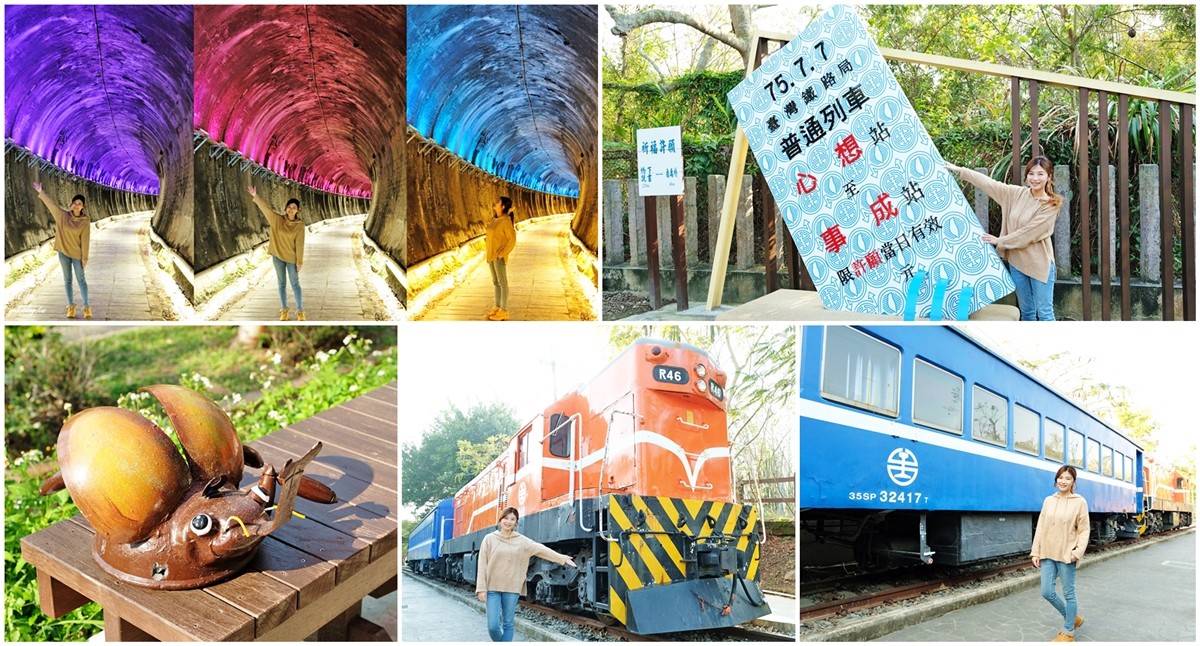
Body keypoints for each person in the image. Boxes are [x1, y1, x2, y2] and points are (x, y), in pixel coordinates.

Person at [945, 157, 1063, 321]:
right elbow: (989, 184)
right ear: (1026, 176)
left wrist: (1000, 241)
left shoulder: (1050, 205)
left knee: (1045, 313)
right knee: (1027, 312)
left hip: (1039, 265)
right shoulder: (1016, 194)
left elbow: (1028, 233)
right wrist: (960, 170)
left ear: (1049, 177)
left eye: (1040, 174)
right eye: (1031, 173)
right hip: (1017, 263)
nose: (1035, 178)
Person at [475, 507, 576, 641]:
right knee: (492, 626)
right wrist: (481, 589)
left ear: (516, 523)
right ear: (500, 520)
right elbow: (482, 565)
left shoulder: (522, 541)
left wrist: (562, 558)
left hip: (512, 588)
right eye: (506, 518)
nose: (508, 522)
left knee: (508, 624)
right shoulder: (489, 539)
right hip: (492, 588)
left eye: (512, 519)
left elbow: (542, 550)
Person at [1031, 465, 1089, 642]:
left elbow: (1084, 530)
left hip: (1066, 555)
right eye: (1061, 478)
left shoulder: (1079, 502)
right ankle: (1073, 618)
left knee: (1069, 593)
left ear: (1073, 482)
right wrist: (1036, 551)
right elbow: (1041, 527)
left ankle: (1068, 631)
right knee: (1046, 592)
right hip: (1047, 553)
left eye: (1068, 478)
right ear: (1056, 480)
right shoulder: (1048, 500)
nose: (1063, 481)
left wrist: (1077, 552)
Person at [247, 185, 306, 321]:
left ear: (298, 210)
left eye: (294, 208)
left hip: (291, 258)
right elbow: (266, 209)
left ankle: (300, 311)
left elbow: (300, 243)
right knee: (281, 284)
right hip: (278, 257)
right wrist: (255, 196)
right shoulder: (277, 220)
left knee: (295, 284)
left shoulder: (299, 225)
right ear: (285, 208)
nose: (291, 209)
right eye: (289, 207)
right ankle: (284, 309)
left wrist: (299, 261)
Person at [33, 182, 92, 319]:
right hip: (63, 253)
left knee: (81, 279)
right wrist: (41, 192)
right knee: (67, 280)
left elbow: (85, 240)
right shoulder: (63, 216)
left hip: (77, 254)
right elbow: (51, 205)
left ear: (83, 206)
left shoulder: (85, 221)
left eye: (79, 203)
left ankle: (86, 307)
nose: (76, 205)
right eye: (75, 203)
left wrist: (85, 257)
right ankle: (71, 306)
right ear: (71, 204)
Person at [484, 197, 517, 321]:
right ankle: (497, 308)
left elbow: (512, 240)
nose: (495, 203)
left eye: (498, 202)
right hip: (490, 255)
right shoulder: (494, 219)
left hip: (498, 256)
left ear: (503, 206)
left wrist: (502, 253)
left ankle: (504, 310)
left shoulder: (506, 221)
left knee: (503, 283)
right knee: (495, 283)